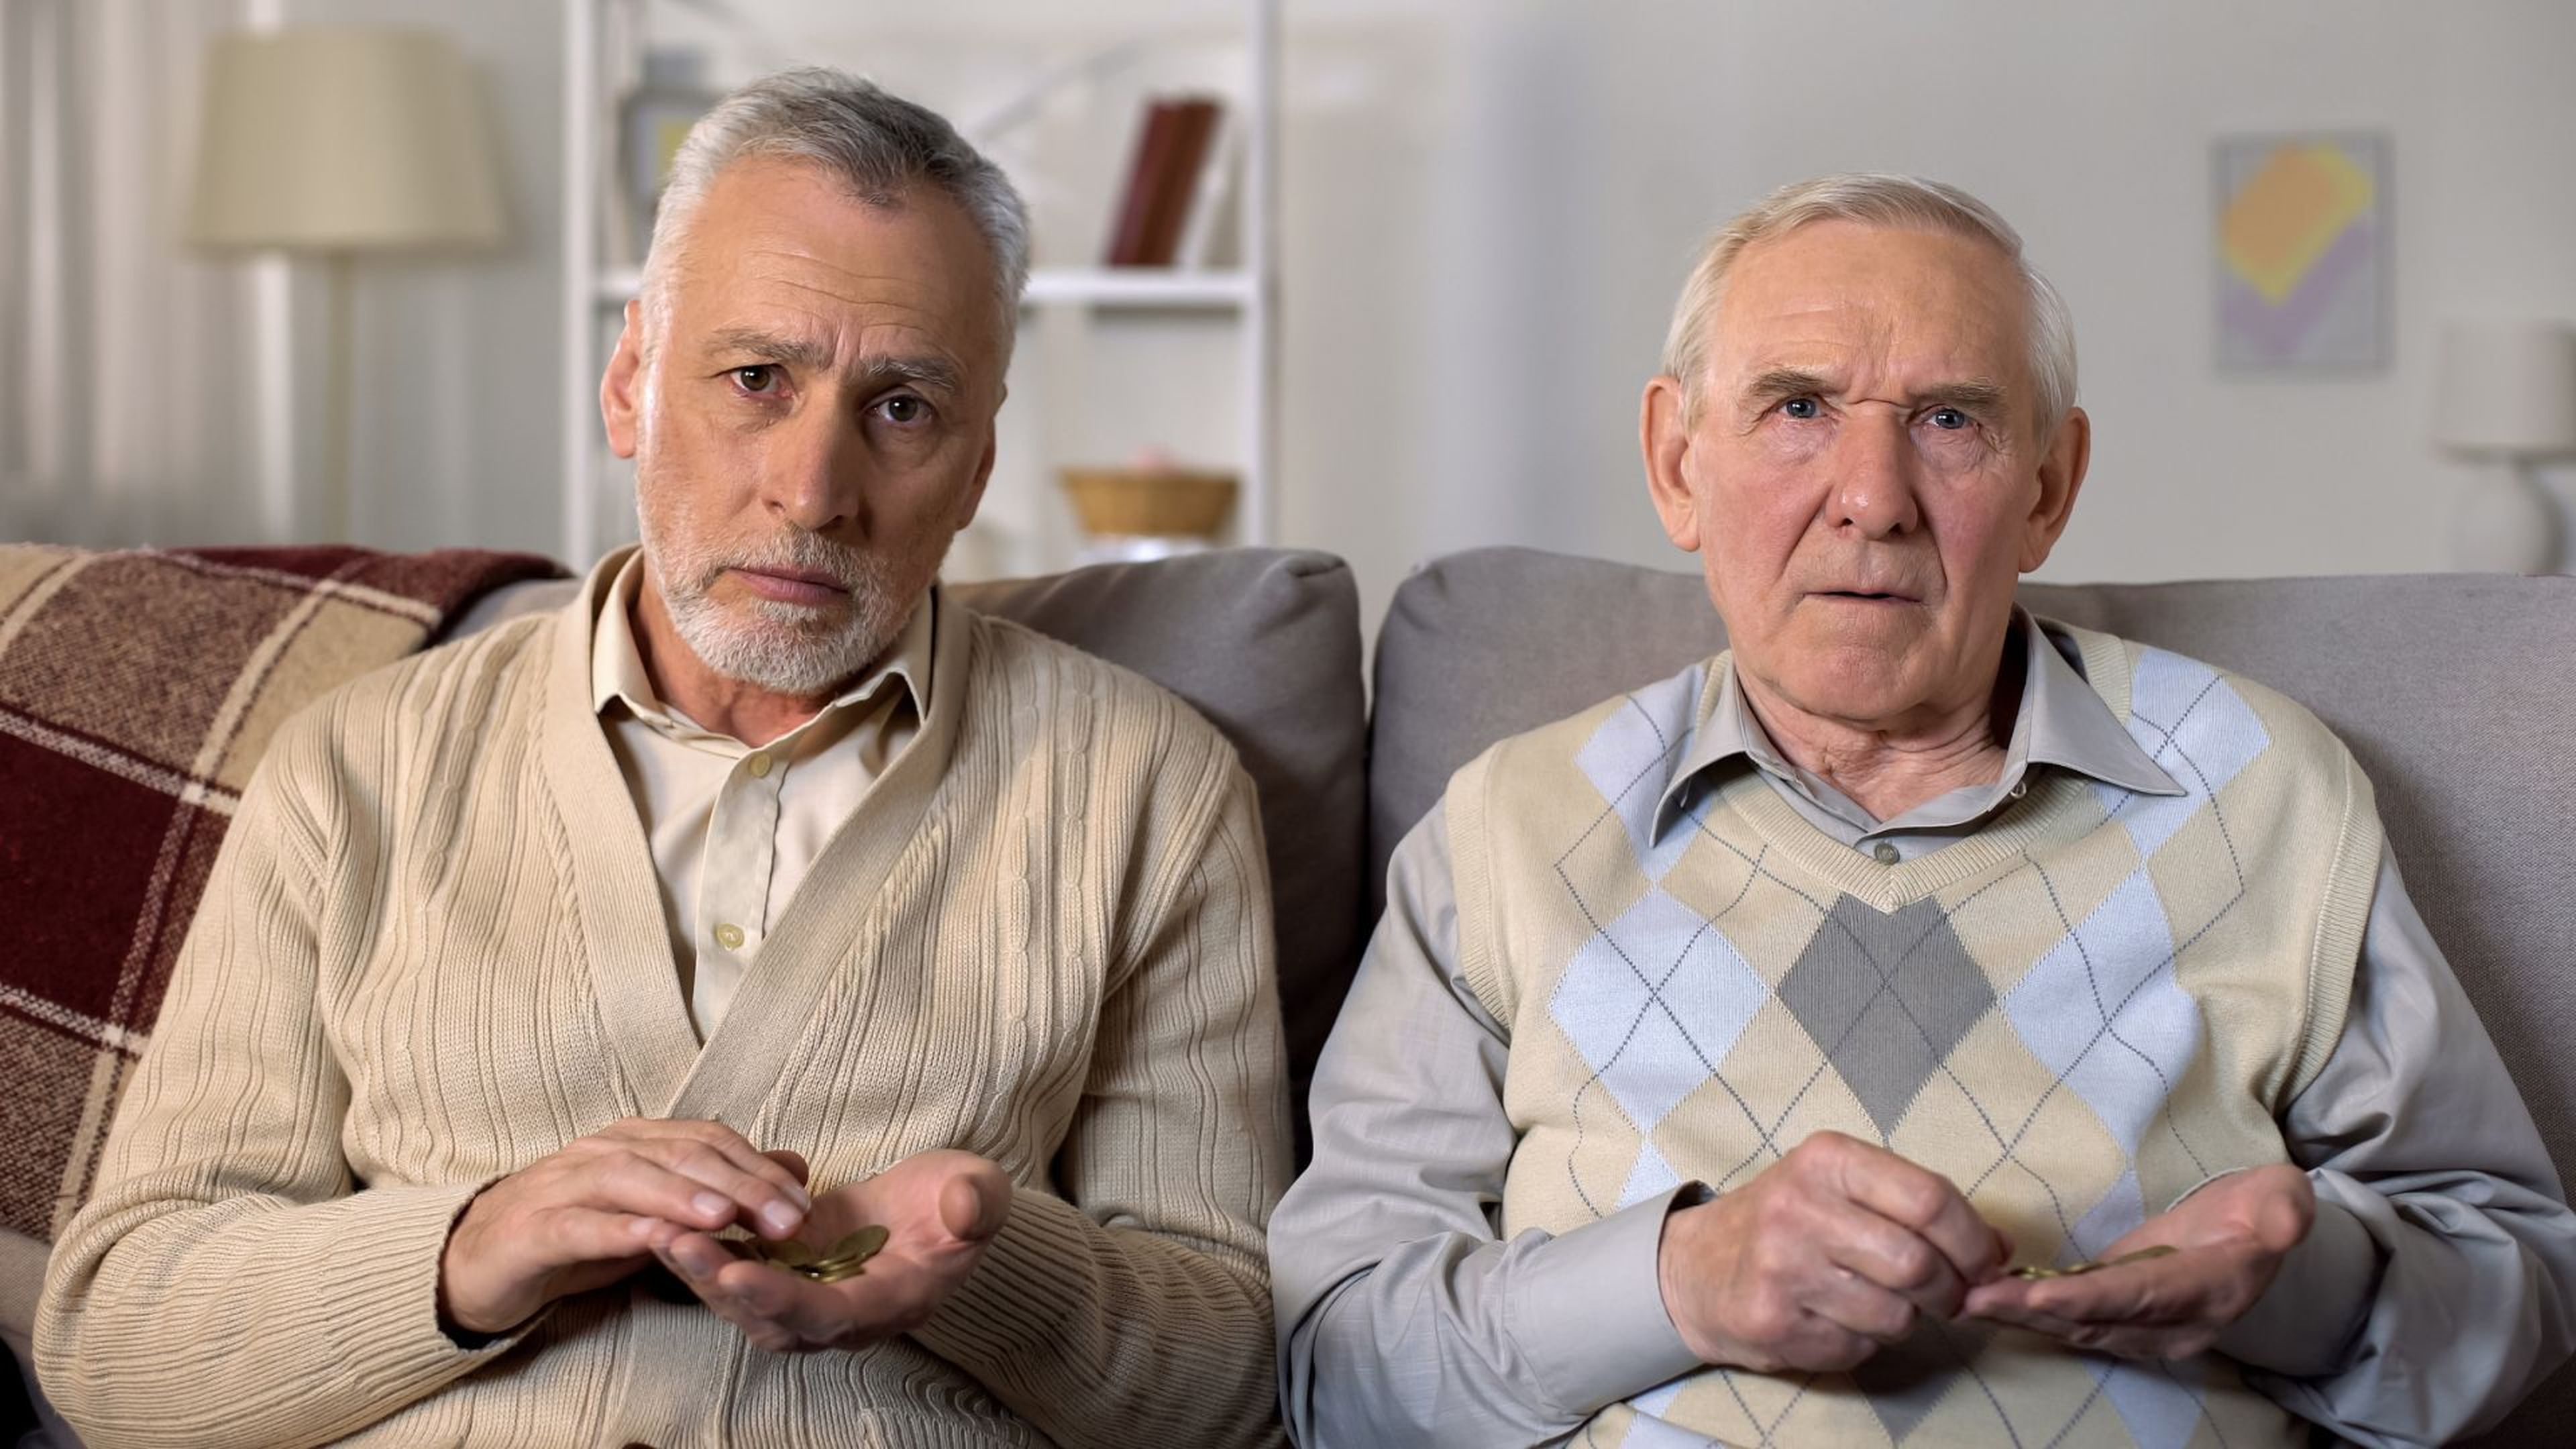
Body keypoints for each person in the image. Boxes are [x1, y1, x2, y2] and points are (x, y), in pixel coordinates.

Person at [38, 69, 1289, 1448]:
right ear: (631, 383)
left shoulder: (1146, 792)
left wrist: (981, 1274)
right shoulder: (358, 770)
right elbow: (116, 1345)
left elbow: (1231, 1383)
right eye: (757, 379)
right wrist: (468, 1251)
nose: (813, 492)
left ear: (980, 463)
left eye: (903, 409)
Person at [1270, 173, 2576, 1447]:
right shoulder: (1511, 830)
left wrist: (2303, 1287)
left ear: (2049, 488)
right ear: (1678, 463)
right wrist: (1675, 1285)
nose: (1874, 499)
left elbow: (2514, 1286)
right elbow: (1336, 1369)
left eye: (1951, 420)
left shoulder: (2264, 785)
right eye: (1797, 407)